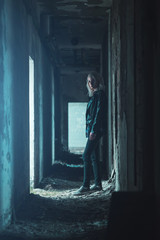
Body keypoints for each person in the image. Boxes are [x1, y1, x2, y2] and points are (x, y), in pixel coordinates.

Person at [74, 72, 107, 195]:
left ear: (98, 80)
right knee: (93, 156)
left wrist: (93, 129)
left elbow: (98, 114)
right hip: (93, 130)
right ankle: (98, 184)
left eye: (93, 80)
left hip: (96, 130)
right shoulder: (95, 96)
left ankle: (85, 185)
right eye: (88, 81)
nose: (91, 83)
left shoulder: (100, 95)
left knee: (85, 155)